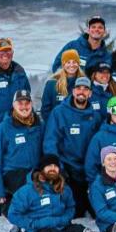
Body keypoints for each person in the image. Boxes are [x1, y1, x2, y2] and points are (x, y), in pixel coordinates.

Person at [6, 156, 104, 232]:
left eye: (55, 166)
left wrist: (64, 219)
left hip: (61, 225)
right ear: (41, 169)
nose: (53, 168)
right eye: (49, 166)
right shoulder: (27, 191)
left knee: (79, 230)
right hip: (39, 231)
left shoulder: (64, 188)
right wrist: (32, 224)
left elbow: (70, 207)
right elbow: (13, 214)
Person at [41, 75, 100, 217]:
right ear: (73, 91)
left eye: (85, 89)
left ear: (90, 94)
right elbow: (51, 141)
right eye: (78, 88)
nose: (82, 92)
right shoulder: (60, 112)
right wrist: (58, 167)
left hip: (87, 169)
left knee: (94, 211)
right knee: (75, 212)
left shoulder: (95, 116)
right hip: (68, 168)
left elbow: (100, 143)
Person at [0, 89, 42, 214]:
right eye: (20, 103)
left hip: (34, 173)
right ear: (13, 105)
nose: (24, 107)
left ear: (31, 104)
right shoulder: (3, 129)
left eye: (27, 103)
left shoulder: (39, 126)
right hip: (13, 174)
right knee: (27, 199)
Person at [41, 49, 84, 119]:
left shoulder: (84, 83)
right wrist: (54, 125)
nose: (71, 65)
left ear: (78, 64)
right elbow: (45, 111)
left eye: (74, 62)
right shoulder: (52, 84)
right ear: (63, 64)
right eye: (68, 62)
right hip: (56, 126)